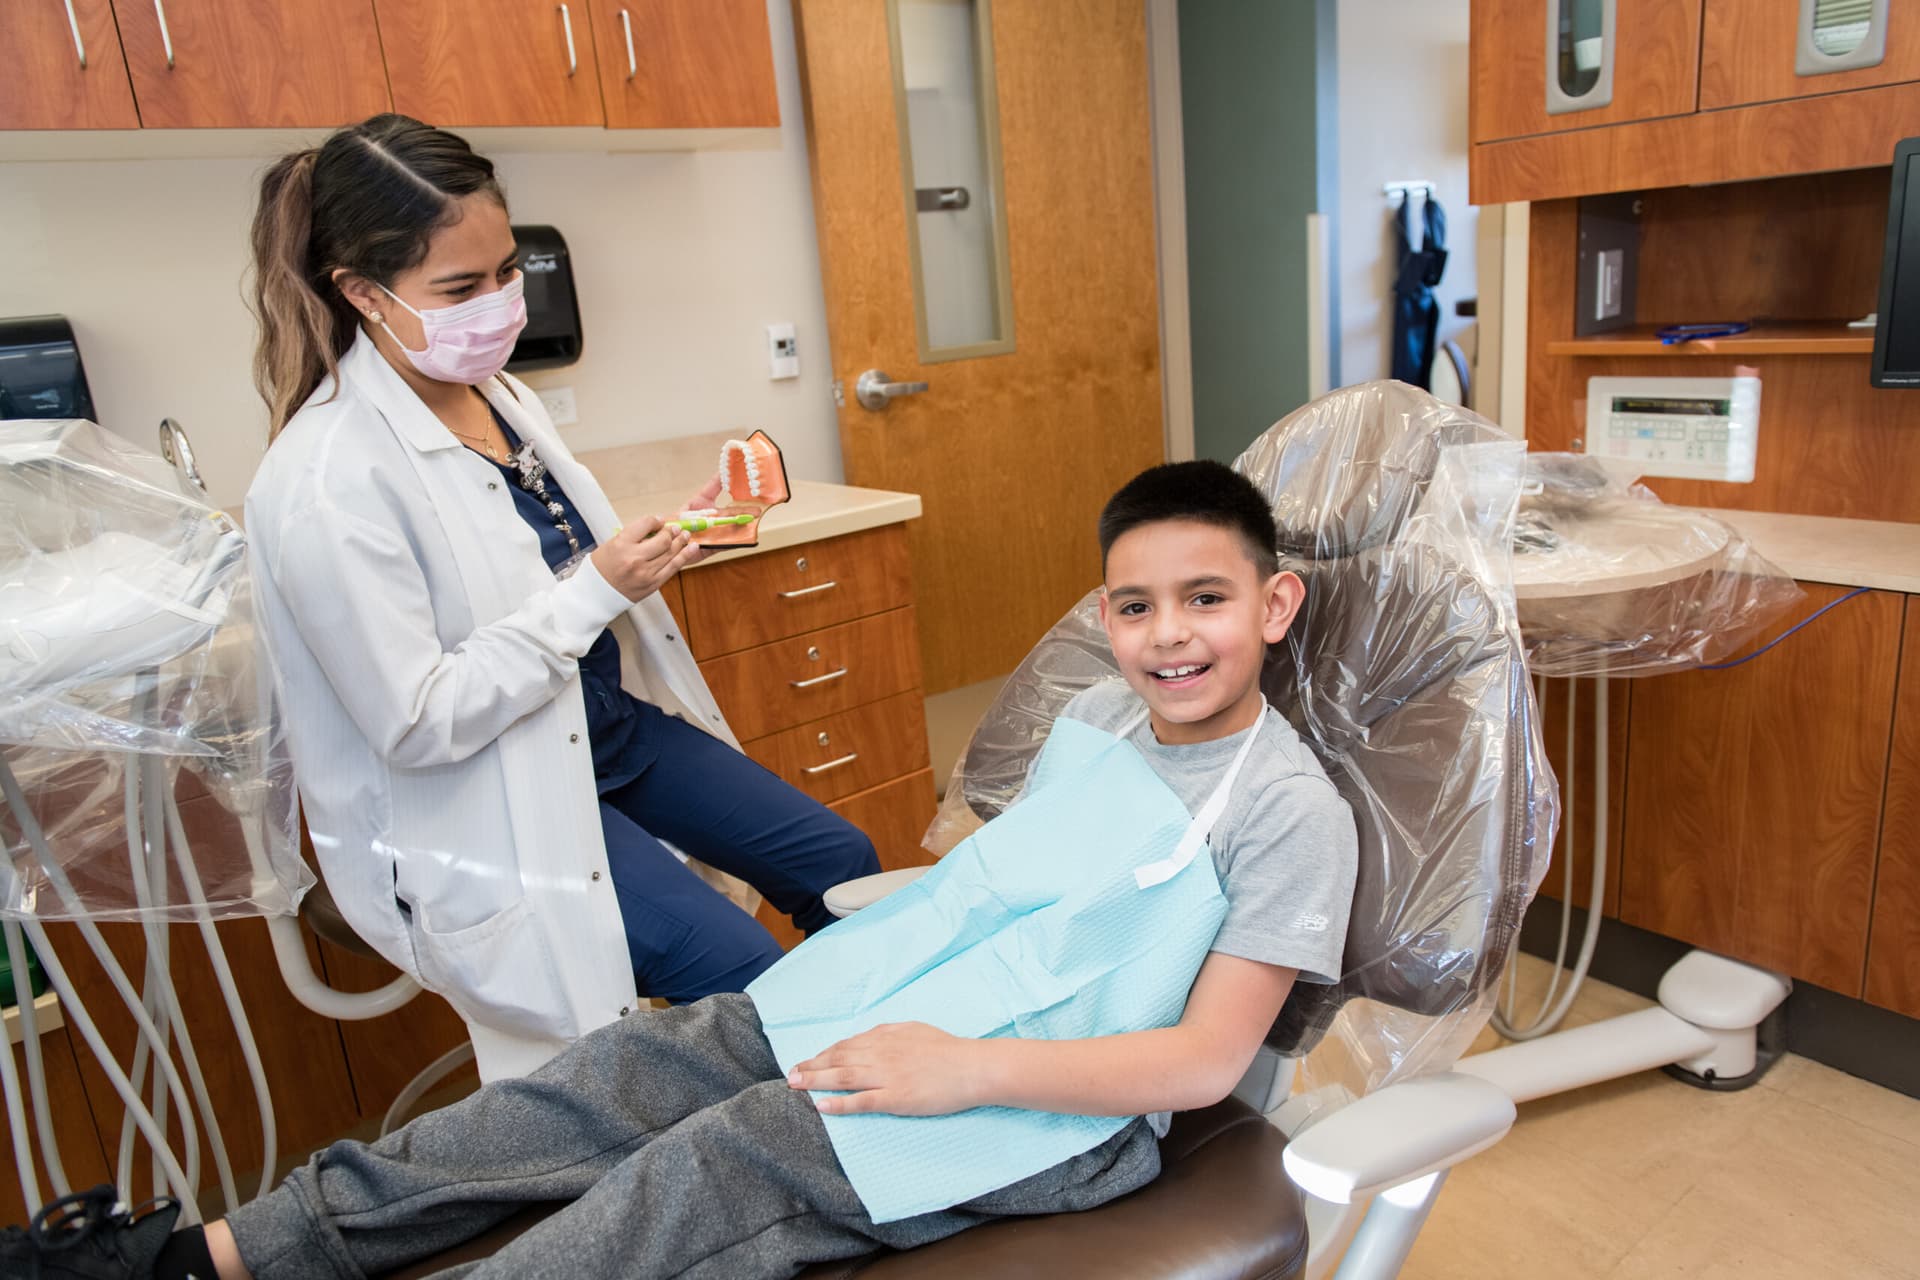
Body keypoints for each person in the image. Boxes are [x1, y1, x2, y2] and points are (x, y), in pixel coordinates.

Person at [7, 460, 1358, 1280]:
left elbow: (1193, 1067)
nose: (1167, 638)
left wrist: (961, 1068)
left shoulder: (1290, 813)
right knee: (612, 1078)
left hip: (1051, 1119)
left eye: (1206, 601)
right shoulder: (1102, 715)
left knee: (723, 1159)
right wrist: (888, 1010)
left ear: (1274, 605)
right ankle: (216, 1257)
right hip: (882, 1013)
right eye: (1134, 606)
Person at [241, 114, 878, 1081]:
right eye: (460, 287)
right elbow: (416, 723)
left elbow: (532, 558)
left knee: (843, 863)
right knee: (745, 976)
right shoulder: (326, 478)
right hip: (484, 795)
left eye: (506, 271)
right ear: (364, 293)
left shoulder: (498, 394)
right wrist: (594, 591)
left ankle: (881, 1065)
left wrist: (672, 539)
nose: (499, 303)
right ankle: (814, 1149)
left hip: (603, 731)